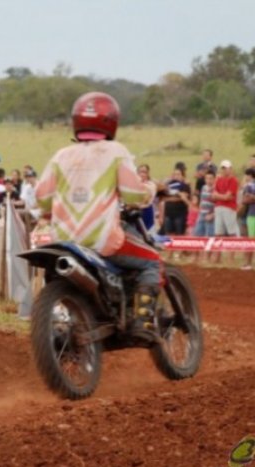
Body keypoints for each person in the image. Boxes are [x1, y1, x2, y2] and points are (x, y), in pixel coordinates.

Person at [36, 92, 160, 339]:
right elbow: (134, 195)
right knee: (152, 261)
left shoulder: (62, 155)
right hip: (102, 240)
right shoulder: (116, 151)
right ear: (112, 121)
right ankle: (142, 322)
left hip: (62, 242)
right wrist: (152, 188)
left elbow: (42, 198)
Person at [160, 168, 191, 236]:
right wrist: (177, 196)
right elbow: (163, 198)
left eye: (178, 174)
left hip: (180, 215)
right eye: (174, 174)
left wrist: (173, 197)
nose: (176, 176)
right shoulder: (168, 185)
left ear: (182, 176)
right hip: (168, 214)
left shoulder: (185, 186)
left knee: (179, 234)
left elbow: (184, 197)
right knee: (167, 234)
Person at [240, 167, 255, 270]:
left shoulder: (249, 186)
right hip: (251, 215)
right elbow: (245, 200)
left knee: (251, 240)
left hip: (252, 215)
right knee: (251, 240)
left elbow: (246, 200)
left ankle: (248, 263)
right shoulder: (248, 186)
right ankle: (248, 263)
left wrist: (252, 197)